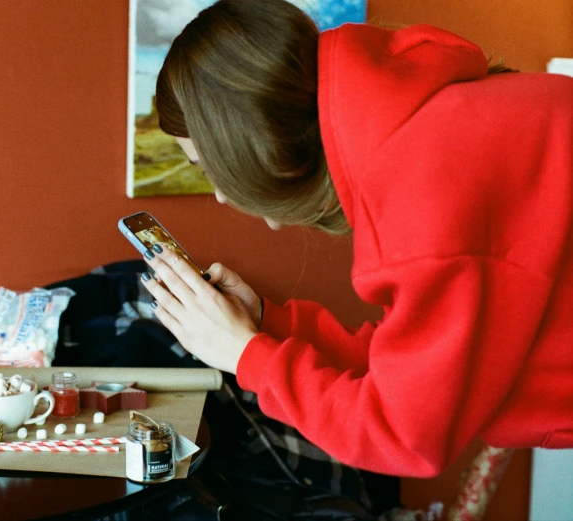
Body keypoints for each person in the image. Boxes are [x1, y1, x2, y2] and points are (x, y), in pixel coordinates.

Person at [139, 0, 573, 478]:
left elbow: (401, 436)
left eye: (210, 168)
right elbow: (412, 369)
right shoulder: (432, 126)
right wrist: (266, 325)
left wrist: (245, 356)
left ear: (251, 151)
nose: (221, 195)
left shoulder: (421, 200)